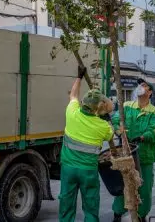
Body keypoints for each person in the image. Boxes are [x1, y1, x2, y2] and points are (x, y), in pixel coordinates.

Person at [59, 66, 114, 222]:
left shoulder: (72, 113)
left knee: (66, 203)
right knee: (90, 206)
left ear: (84, 103)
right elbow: (111, 134)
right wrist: (107, 117)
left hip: (68, 169)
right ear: (98, 108)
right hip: (88, 171)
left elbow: (73, 95)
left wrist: (79, 77)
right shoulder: (102, 126)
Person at [112, 79, 155, 222]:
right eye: (140, 85)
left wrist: (141, 137)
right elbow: (116, 119)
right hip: (126, 154)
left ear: (150, 92)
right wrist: (119, 131)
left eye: (145, 86)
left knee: (144, 188)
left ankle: (141, 215)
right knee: (123, 185)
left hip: (145, 155)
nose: (141, 87)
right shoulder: (127, 106)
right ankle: (117, 213)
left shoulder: (154, 111)